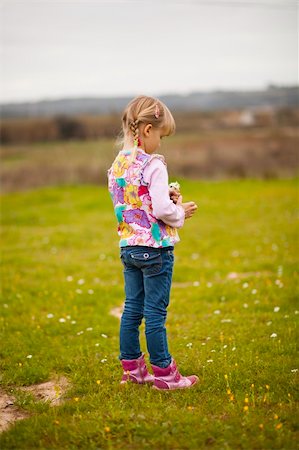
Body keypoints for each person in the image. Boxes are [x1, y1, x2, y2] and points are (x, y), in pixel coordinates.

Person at [107, 95, 198, 390]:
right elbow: (160, 211)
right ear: (147, 130)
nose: (161, 141)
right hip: (155, 251)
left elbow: (132, 203)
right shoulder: (154, 165)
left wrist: (163, 201)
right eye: (161, 134)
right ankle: (165, 375)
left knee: (132, 309)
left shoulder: (118, 166)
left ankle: (133, 370)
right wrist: (179, 211)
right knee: (156, 314)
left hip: (128, 248)